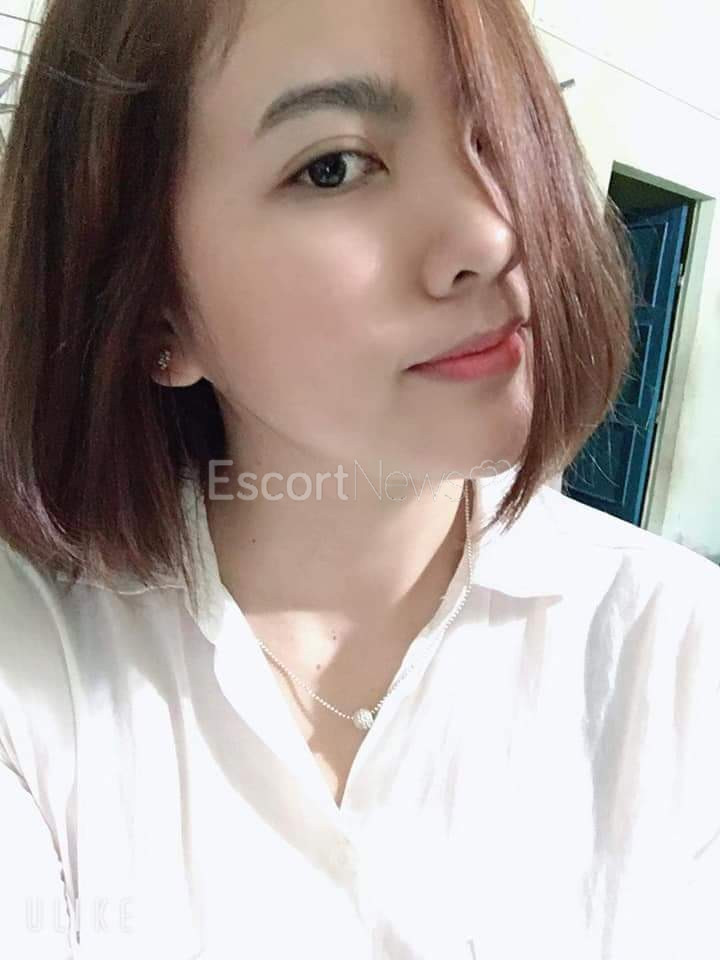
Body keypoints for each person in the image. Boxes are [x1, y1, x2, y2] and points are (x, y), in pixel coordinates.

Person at [0, 0, 717, 957]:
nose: (491, 235)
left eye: (495, 130)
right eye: (333, 166)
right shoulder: (31, 671)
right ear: (154, 311)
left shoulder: (676, 656)